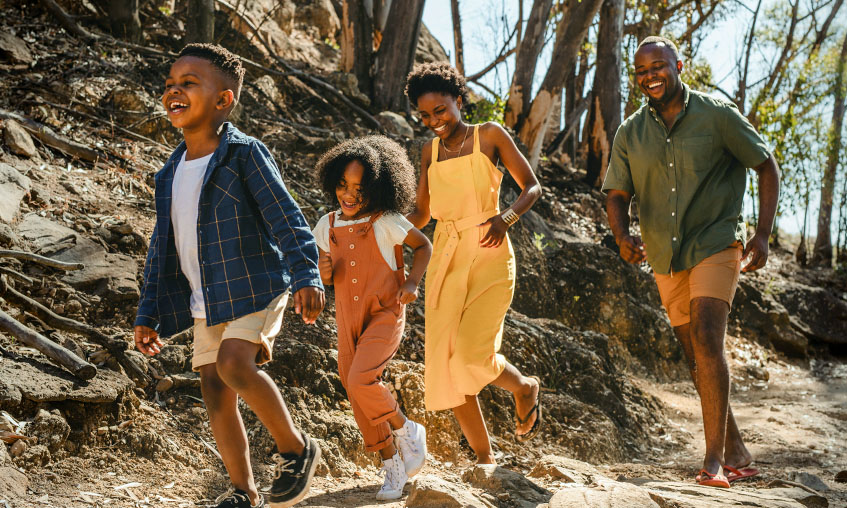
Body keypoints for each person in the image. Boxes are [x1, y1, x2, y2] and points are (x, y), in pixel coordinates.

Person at [133, 43, 326, 508]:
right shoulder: (169, 172)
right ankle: (244, 491)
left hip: (255, 284)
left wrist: (306, 274)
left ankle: (297, 450)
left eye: (189, 83)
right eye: (170, 84)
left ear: (223, 100)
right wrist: (149, 311)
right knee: (215, 390)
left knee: (235, 364)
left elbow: (286, 216)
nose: (174, 91)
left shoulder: (244, 154)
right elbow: (163, 247)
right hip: (207, 298)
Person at [603, 36, 780, 488]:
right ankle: (737, 451)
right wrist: (622, 235)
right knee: (694, 354)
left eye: (658, 66)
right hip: (665, 254)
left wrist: (761, 233)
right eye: (641, 71)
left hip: (717, 241)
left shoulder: (717, 114)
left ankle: (714, 462)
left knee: (706, 336)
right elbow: (618, 194)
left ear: (678, 65)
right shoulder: (630, 133)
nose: (650, 77)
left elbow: (766, 165)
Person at [405, 62, 544, 466]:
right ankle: (485, 460)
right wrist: (383, 230)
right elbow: (422, 212)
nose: (434, 121)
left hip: (489, 250)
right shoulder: (428, 150)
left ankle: (523, 387)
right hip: (445, 257)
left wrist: (507, 218)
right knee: (447, 365)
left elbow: (532, 186)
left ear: (459, 102)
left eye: (441, 111)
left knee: (469, 354)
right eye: (425, 115)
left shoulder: (490, 135)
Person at [311, 136, 432, 500]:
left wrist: (412, 281)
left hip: (385, 313)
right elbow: (326, 277)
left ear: (378, 188)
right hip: (348, 321)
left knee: (363, 380)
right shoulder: (327, 224)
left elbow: (424, 245)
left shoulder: (387, 221)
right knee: (353, 387)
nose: (349, 194)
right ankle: (391, 464)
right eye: (343, 185)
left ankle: (407, 429)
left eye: (359, 189)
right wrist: (325, 269)